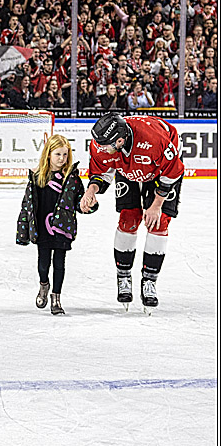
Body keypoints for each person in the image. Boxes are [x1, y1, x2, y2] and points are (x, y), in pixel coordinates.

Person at [80, 115, 184, 313]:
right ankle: (123, 275)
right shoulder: (102, 143)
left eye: (105, 145)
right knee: (129, 219)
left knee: (159, 222)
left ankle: (150, 281)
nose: (100, 148)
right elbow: (101, 171)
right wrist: (91, 190)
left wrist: (156, 204)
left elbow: (173, 171)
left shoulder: (154, 139)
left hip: (162, 170)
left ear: (120, 140)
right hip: (128, 168)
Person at [16, 134, 95, 316]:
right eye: (58, 154)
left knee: (59, 263)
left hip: (63, 227)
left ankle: (56, 297)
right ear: (48, 154)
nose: (62, 159)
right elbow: (27, 205)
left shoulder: (72, 178)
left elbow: (78, 203)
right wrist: (23, 229)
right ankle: (44, 284)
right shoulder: (38, 177)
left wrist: (88, 205)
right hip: (43, 228)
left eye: (65, 155)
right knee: (44, 263)